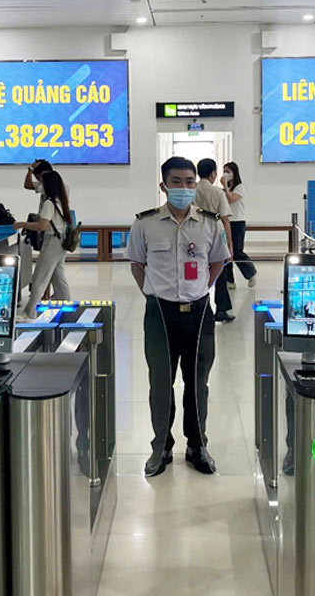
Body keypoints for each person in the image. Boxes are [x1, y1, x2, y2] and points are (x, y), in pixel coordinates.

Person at [126, 157, 230, 477]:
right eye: (176, 182)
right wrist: (153, 294)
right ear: (164, 186)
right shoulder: (145, 224)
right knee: (160, 383)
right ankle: (161, 447)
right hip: (160, 314)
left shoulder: (210, 224)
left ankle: (198, 446)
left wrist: (201, 289)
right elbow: (136, 264)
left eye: (189, 182)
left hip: (199, 314)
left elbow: (218, 261)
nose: (184, 188)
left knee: (198, 384)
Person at [13, 171, 72, 318]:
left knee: (39, 278)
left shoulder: (49, 203)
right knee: (58, 277)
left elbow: (42, 226)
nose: (39, 186)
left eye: (42, 183)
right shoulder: (61, 200)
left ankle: (30, 312)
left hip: (52, 242)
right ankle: (67, 306)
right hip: (61, 242)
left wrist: (23, 224)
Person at [194, 158, 235, 322]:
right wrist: (229, 245)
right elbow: (225, 220)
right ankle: (221, 309)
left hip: (194, 236)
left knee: (196, 271)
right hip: (215, 237)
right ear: (213, 174)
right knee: (220, 273)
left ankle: (198, 306)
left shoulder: (191, 191)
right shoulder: (218, 193)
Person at [219, 162, 257, 290]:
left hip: (237, 222)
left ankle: (250, 273)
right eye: (224, 171)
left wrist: (225, 185)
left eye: (228, 171)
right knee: (225, 252)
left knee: (236, 251)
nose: (225, 174)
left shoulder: (240, 187)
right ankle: (229, 280)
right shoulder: (225, 190)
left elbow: (231, 199)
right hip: (225, 222)